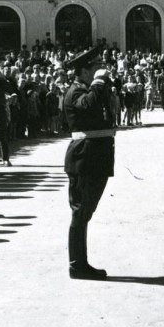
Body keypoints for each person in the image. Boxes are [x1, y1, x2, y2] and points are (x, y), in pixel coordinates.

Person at [62, 46, 115, 280]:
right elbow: (88, 105)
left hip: (96, 157)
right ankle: (77, 265)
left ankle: (80, 264)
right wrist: (98, 84)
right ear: (83, 70)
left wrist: (102, 85)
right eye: (93, 68)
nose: (98, 71)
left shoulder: (87, 88)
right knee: (80, 213)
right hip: (84, 158)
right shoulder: (75, 91)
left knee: (86, 213)